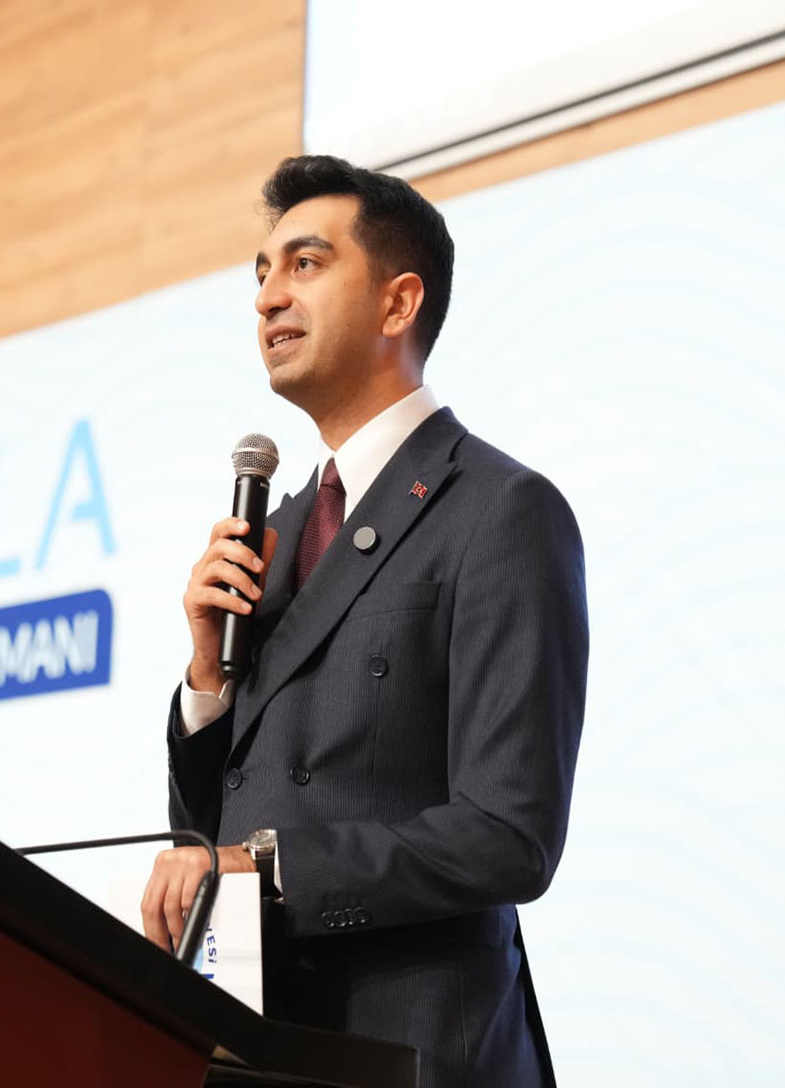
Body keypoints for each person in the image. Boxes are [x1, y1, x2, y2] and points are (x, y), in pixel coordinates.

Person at [140, 155, 588, 1087]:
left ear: (398, 303)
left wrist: (271, 868)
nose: (268, 296)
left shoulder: (499, 508)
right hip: (265, 1050)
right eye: (261, 272)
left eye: (305, 264)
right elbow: (212, 834)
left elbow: (510, 834)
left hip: (417, 1050)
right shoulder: (276, 531)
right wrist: (207, 683)